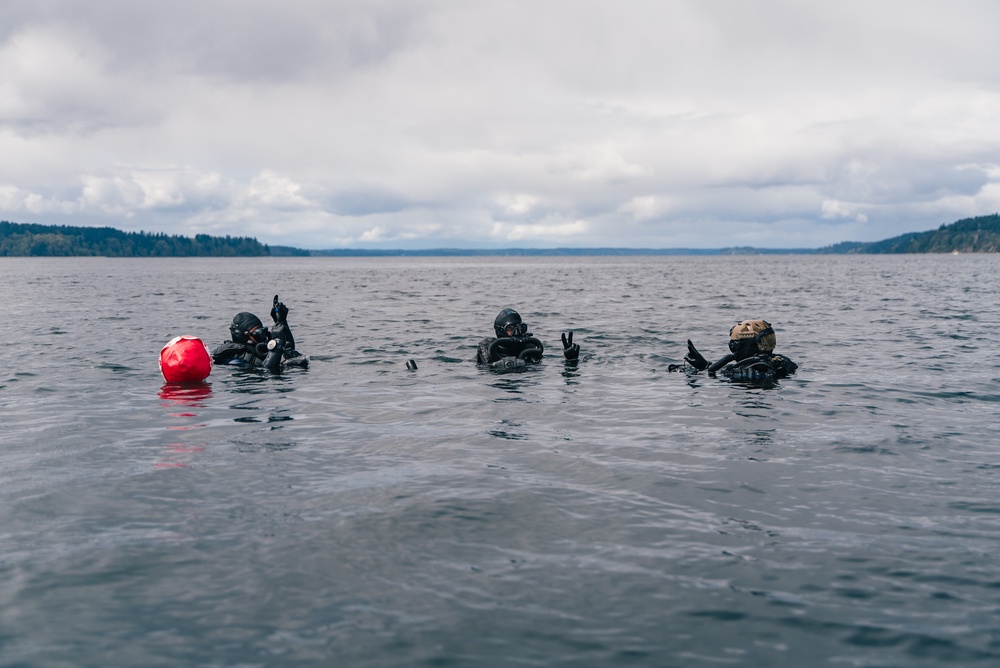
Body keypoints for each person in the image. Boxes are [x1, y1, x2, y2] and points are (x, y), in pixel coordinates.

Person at [668, 319, 797, 381]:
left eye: (736, 344)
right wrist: (706, 365)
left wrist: (703, 369)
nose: (733, 349)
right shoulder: (783, 362)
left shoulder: (743, 370)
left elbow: (717, 375)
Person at [212, 295, 308, 371]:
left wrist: (282, 322)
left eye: (262, 332)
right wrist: (277, 344)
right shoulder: (236, 362)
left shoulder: (260, 349)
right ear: (244, 336)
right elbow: (266, 371)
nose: (262, 338)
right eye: (257, 333)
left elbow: (288, 348)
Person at [476, 308, 580, 371]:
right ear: (500, 331)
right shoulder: (488, 349)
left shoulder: (529, 349)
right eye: (511, 329)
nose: (517, 333)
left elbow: (549, 368)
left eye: (520, 329)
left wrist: (570, 361)